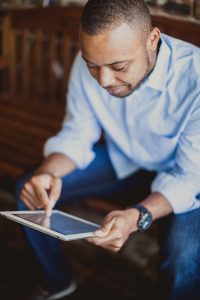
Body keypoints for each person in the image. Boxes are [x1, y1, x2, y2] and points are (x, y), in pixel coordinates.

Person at [16, 0, 200, 299]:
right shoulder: (86, 62)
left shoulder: (196, 79)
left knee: (184, 260)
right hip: (126, 159)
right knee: (30, 190)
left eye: (118, 67)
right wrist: (46, 173)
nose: (104, 80)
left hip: (188, 178)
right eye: (92, 66)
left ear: (152, 39)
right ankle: (58, 284)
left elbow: (190, 177)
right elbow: (77, 135)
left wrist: (138, 214)